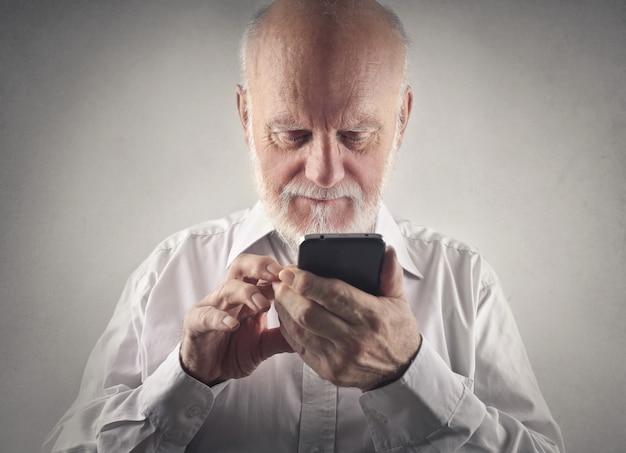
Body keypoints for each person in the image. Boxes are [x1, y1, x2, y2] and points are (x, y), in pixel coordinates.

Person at [43, 0, 564, 451]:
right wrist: (185, 380)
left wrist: (410, 376)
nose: (324, 173)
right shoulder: (170, 273)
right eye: (291, 134)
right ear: (247, 117)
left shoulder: (466, 284)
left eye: (357, 135)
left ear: (400, 119)